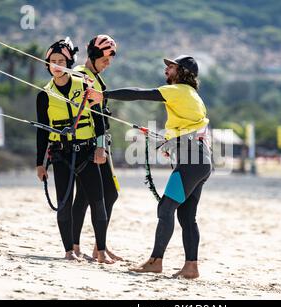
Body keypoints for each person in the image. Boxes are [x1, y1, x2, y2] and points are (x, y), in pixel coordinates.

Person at [104, 55, 212, 279]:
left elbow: (138, 93)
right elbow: (190, 129)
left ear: (183, 72)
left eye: (170, 67)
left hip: (191, 160)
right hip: (200, 160)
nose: (166, 71)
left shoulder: (179, 90)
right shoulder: (193, 96)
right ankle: (191, 266)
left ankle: (155, 261)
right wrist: (172, 143)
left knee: (165, 208)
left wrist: (103, 94)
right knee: (186, 215)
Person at [35, 38, 113, 263]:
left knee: (98, 201)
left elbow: (98, 120)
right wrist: (39, 163)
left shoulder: (85, 85)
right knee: (64, 204)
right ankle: (69, 251)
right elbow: (41, 132)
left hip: (87, 152)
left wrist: (100, 148)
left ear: (69, 63)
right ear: (48, 64)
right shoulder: (44, 94)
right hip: (61, 155)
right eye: (53, 61)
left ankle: (101, 251)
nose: (57, 65)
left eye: (61, 61)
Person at [71, 34, 122, 261]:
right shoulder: (84, 76)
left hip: (97, 143)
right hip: (91, 145)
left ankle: (93, 245)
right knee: (107, 193)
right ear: (93, 55)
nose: (108, 63)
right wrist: (100, 147)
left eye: (110, 59)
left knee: (86, 195)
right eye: (105, 58)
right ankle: (85, 247)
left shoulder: (94, 77)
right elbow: (96, 115)